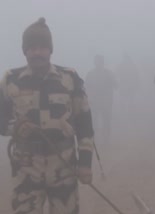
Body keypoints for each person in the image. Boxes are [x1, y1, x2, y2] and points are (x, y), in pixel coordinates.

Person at [0, 18, 94, 214]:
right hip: (25, 168)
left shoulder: (69, 78)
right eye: (32, 48)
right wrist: (13, 128)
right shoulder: (10, 80)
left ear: (50, 50)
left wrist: (85, 163)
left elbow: (84, 122)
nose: (37, 52)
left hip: (64, 167)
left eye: (42, 47)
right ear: (24, 50)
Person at [86, 54, 117, 145]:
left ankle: (105, 140)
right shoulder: (92, 74)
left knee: (105, 122)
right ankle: (97, 140)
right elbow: (86, 87)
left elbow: (116, 85)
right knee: (96, 122)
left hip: (105, 103)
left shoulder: (108, 74)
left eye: (99, 61)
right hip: (96, 102)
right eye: (97, 61)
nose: (98, 63)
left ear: (102, 63)